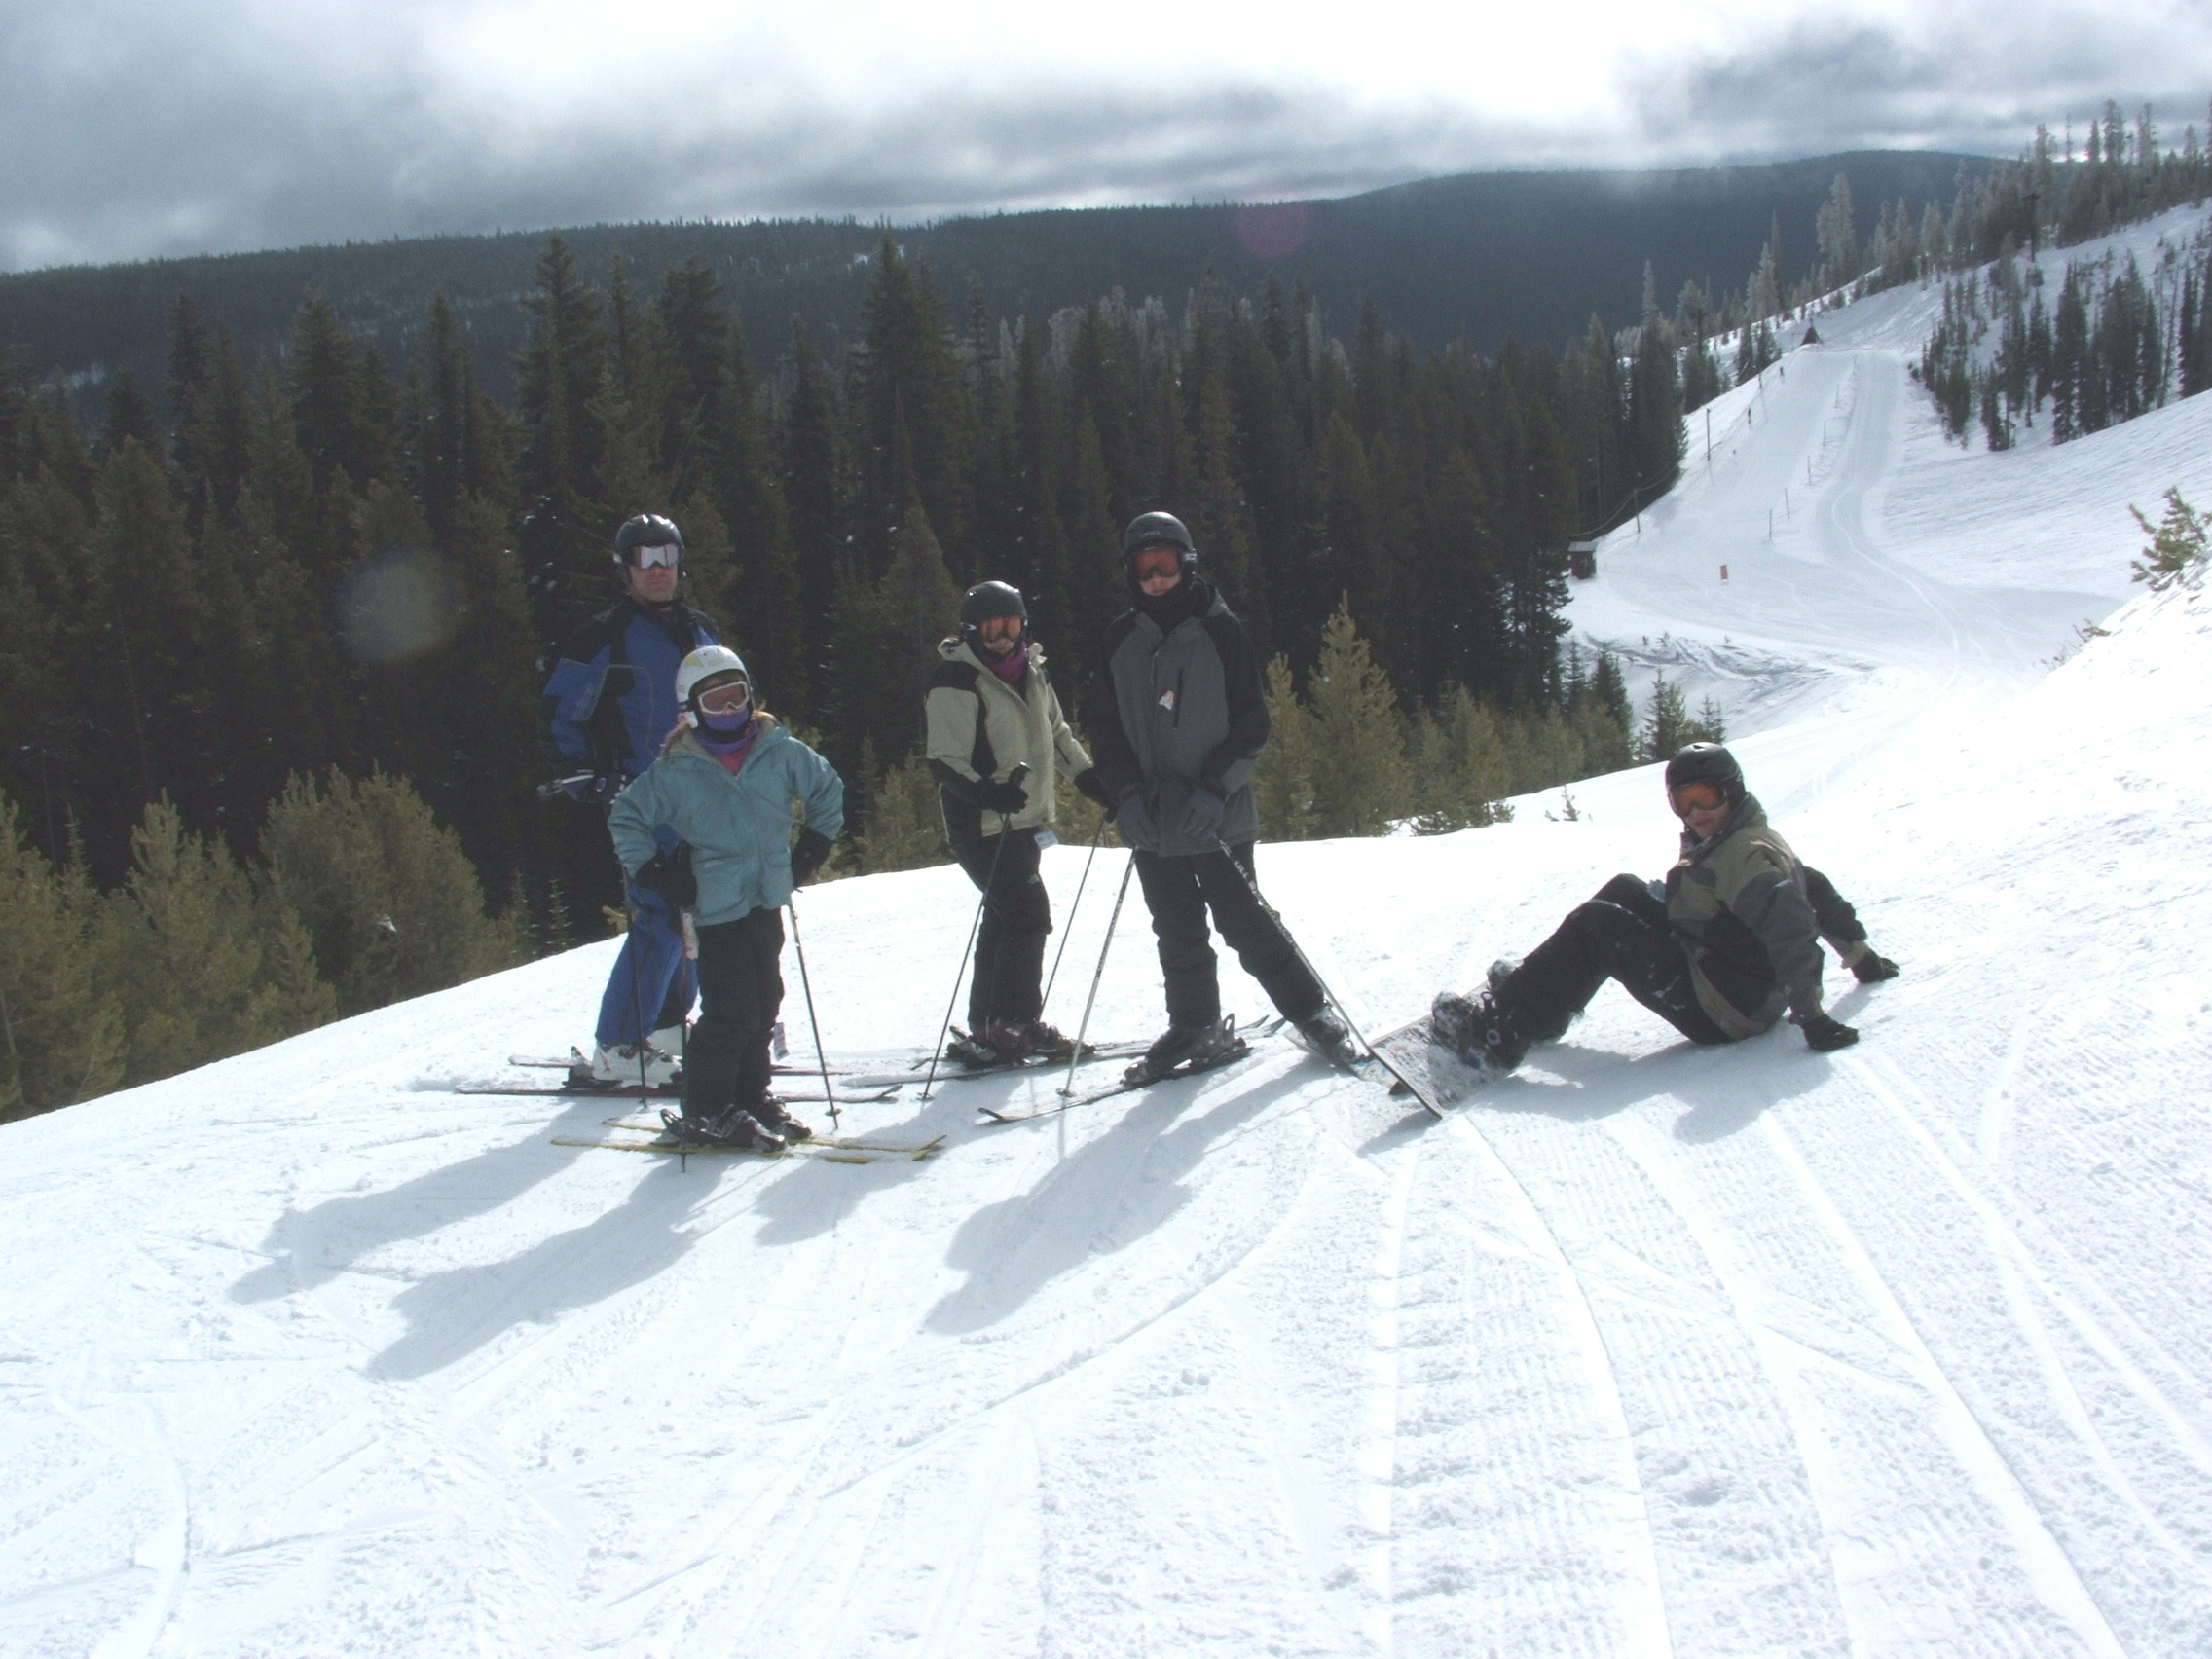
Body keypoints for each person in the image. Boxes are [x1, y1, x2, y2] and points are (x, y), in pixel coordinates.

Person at [1430, 742, 1899, 1076]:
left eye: (1707, 797)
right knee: (1624, 889)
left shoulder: (1745, 857)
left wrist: (1812, 1016)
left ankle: (1499, 1035)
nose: (1696, 813)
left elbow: (1791, 928)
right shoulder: (1739, 837)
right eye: (1683, 801)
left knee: (1599, 925)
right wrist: (1860, 955)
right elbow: (1812, 884)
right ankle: (1539, 1001)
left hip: (1729, 1009)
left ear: (1732, 791)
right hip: (1726, 971)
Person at [1085, 511, 1358, 1081]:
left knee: (1245, 922)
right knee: (1176, 929)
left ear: (1185, 563)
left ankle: (1311, 1012)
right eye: (1143, 567)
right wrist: (1125, 794)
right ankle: (1195, 1025)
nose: (1155, 578)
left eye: (1164, 564)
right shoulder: (1118, 640)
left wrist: (1215, 789)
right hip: (1153, 819)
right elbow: (1104, 729)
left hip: (1217, 816)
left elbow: (1253, 724)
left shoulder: (1221, 630)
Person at [608, 646, 843, 1151]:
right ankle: (706, 1108)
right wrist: (653, 871)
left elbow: (827, 789)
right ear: (692, 710)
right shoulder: (678, 770)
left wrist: (810, 850)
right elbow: (626, 815)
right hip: (714, 905)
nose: (730, 709)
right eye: (715, 702)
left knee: (765, 1001)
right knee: (731, 1009)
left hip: (767, 895)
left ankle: (751, 1095)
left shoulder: (779, 750)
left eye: (736, 696)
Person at [540, 514, 720, 1086]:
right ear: (625, 569)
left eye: (667, 555)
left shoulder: (701, 632)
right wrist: (587, 776)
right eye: (645, 558)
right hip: (643, 798)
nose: (658, 569)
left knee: (697, 908)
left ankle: (665, 1025)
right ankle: (618, 1046)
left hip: (703, 797)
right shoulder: (604, 637)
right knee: (662, 913)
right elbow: (560, 710)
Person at [926, 580, 1113, 1066]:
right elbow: (944, 761)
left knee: (1005, 915)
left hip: (1024, 820)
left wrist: (1091, 781)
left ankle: (989, 1026)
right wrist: (987, 793)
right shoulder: (956, 681)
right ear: (972, 631)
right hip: (981, 825)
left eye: (1010, 627)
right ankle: (1016, 1023)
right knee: (1028, 914)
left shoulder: (1033, 672)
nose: (1003, 639)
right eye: (991, 630)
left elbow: (1058, 734)